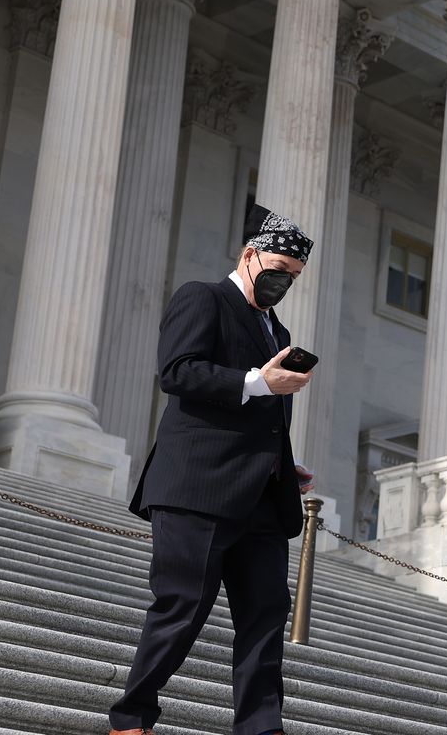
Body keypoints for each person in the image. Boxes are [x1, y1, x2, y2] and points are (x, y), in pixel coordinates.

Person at [107, 204, 319, 735]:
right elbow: (177, 371)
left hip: (262, 496)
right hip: (198, 487)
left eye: (293, 277)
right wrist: (257, 382)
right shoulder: (202, 297)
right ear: (250, 255)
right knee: (182, 605)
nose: (284, 282)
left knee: (266, 614)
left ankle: (261, 728)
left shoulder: (278, 331)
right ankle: (131, 719)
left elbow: (261, 413)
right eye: (279, 269)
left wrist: (281, 460)